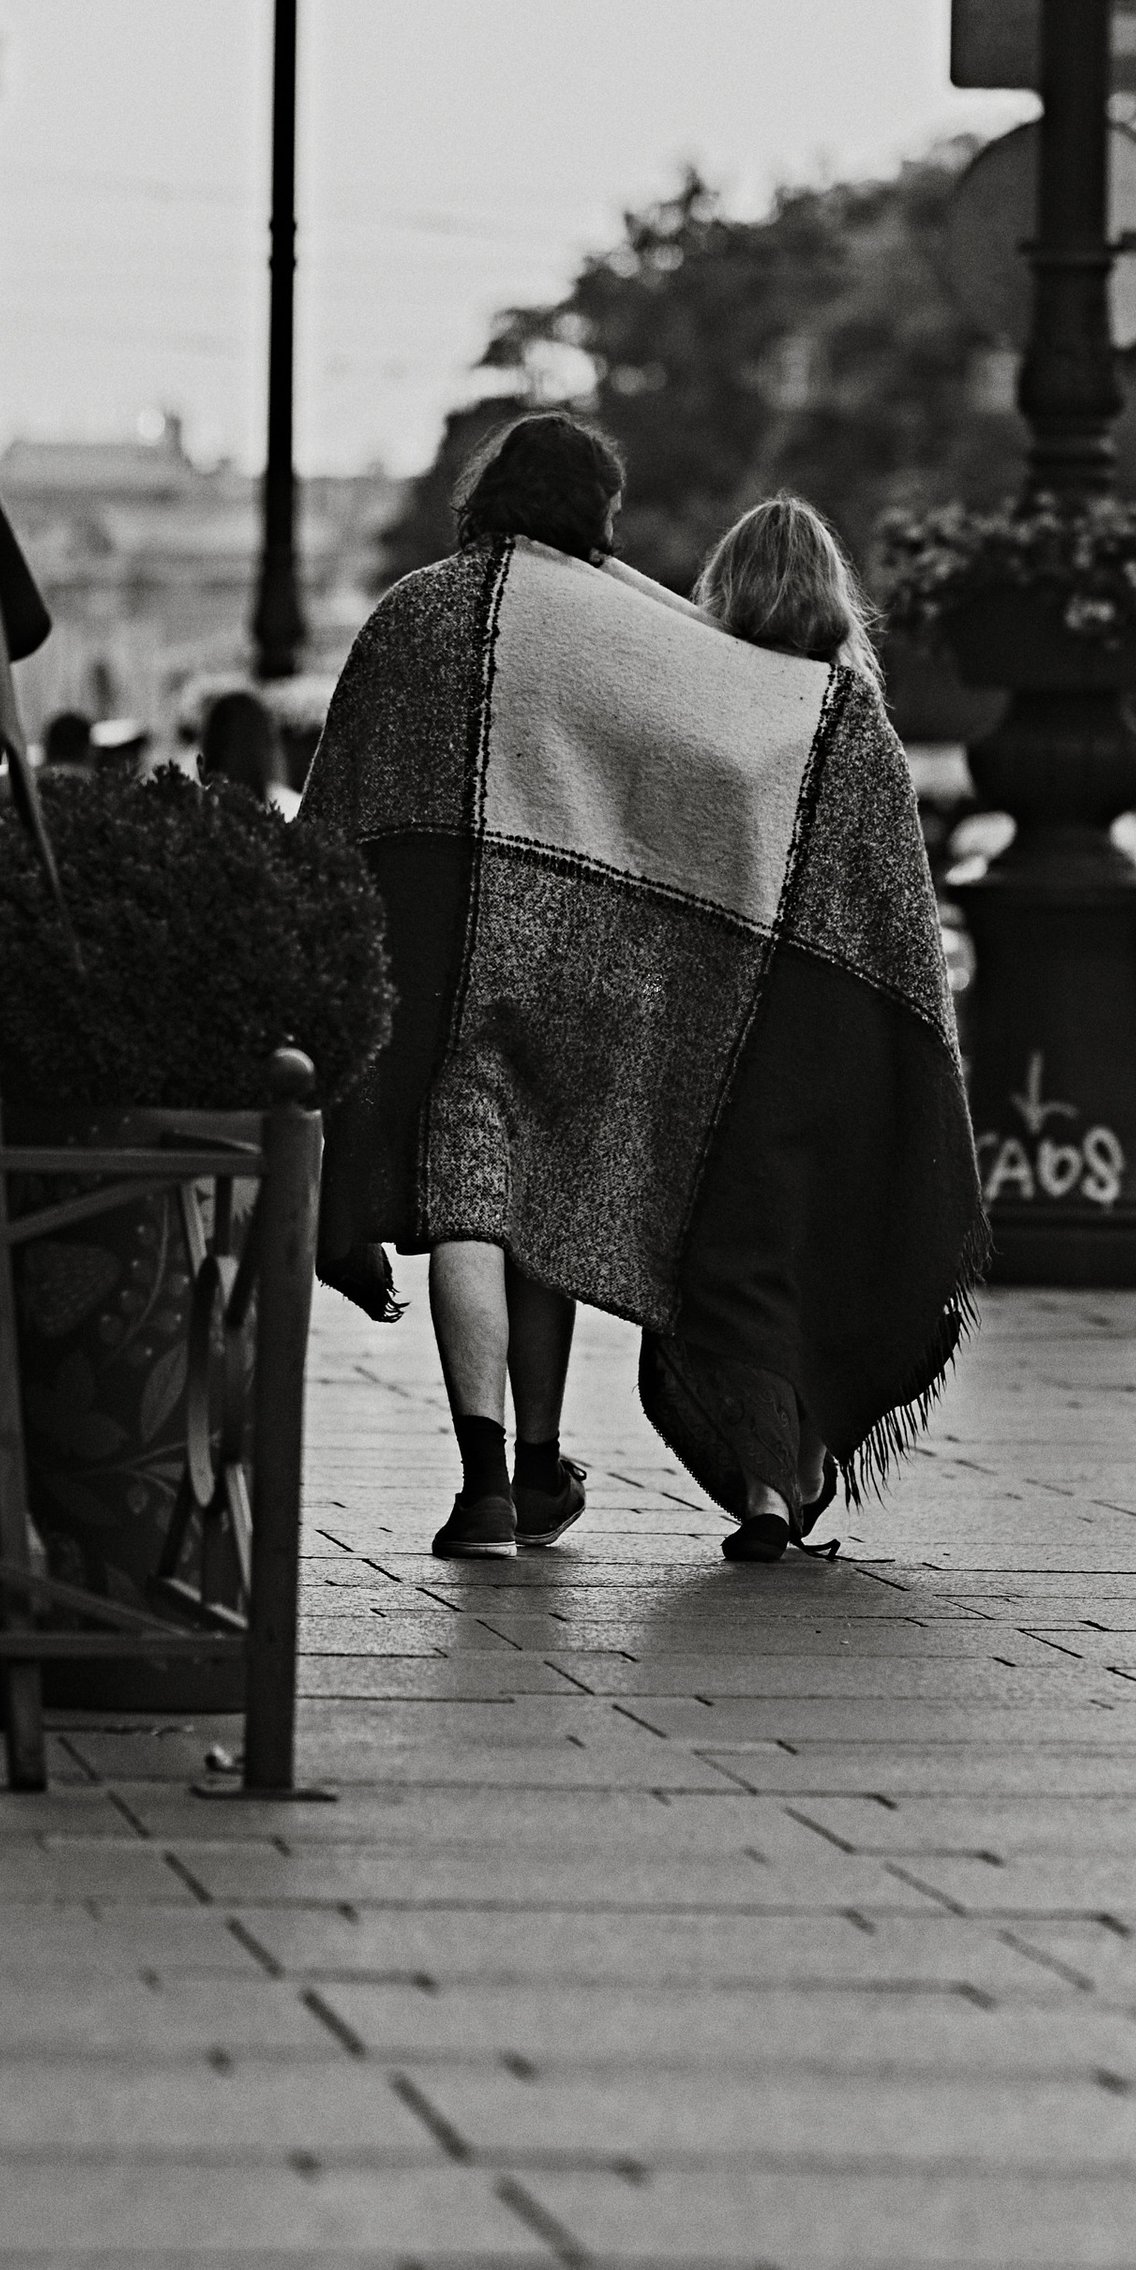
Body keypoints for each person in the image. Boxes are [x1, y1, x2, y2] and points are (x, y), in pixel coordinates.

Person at [299, 415, 981, 1567]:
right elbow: (684, 780)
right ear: (597, 514)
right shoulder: (617, 625)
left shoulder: (410, 609)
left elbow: (333, 815)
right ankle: (539, 1461)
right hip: (574, 963)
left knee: (466, 1206)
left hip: (445, 956)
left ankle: (480, 1483)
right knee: (539, 1203)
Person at [691, 493, 886, 1558]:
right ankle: (803, 1468)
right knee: (819, 1248)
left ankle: (767, 1485)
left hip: (727, 1022)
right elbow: (894, 897)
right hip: (841, 1022)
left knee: (734, 1261)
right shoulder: (855, 715)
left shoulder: (704, 707)